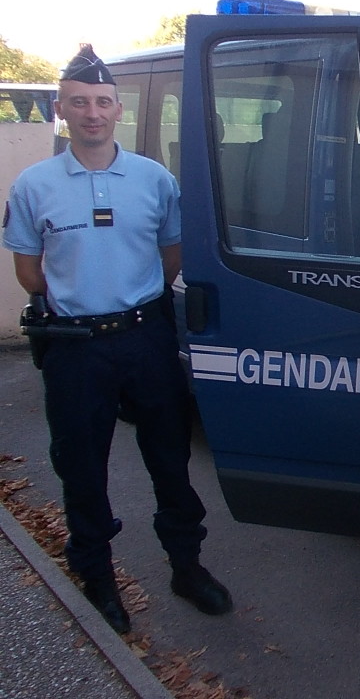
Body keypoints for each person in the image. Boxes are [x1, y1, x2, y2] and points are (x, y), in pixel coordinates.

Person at [2, 45, 232, 634]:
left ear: (117, 108)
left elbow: (171, 253)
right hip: (75, 347)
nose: (93, 113)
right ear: (62, 109)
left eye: (103, 102)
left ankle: (187, 567)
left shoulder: (154, 179)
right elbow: (29, 271)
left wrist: (134, 294)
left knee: (170, 460)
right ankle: (98, 581)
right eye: (80, 103)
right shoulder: (35, 185)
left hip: (144, 337)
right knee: (82, 467)